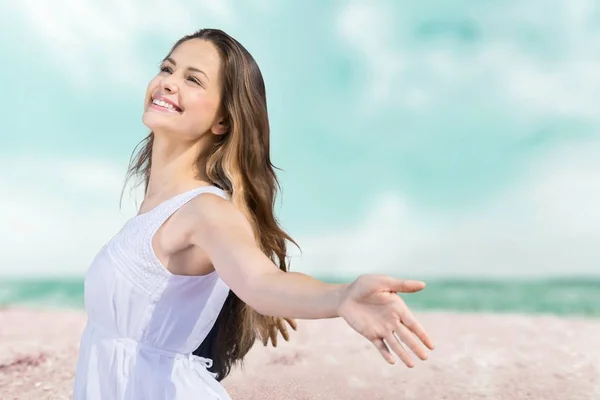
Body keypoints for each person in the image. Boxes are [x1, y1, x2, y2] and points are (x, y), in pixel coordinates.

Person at [72, 28, 435, 400]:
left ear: (223, 121)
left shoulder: (206, 211)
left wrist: (340, 297)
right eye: (168, 69)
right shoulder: (156, 209)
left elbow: (260, 281)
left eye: (192, 79)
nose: (168, 83)